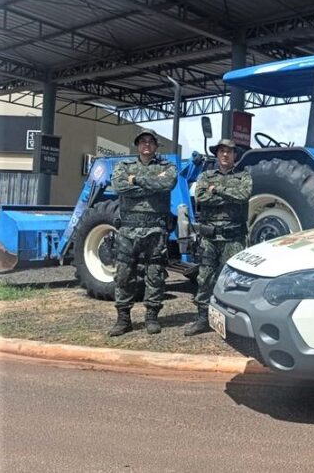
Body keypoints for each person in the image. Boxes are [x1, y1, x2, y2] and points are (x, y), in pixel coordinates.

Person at [108, 129, 177, 337]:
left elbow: (167, 183)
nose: (146, 144)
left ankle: (152, 317)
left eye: (150, 141)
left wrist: (135, 181)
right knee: (123, 274)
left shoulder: (167, 167)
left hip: (155, 228)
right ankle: (123, 319)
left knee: (155, 273)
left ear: (156, 146)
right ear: (137, 145)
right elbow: (119, 187)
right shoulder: (123, 167)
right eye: (142, 141)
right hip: (128, 229)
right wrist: (151, 185)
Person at [185, 138, 252, 336]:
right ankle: (203, 319)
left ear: (234, 156)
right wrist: (225, 195)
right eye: (222, 151)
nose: (225, 154)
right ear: (217, 154)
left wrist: (218, 190)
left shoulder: (244, 176)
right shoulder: (206, 176)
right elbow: (201, 197)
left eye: (229, 152)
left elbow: (243, 195)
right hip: (210, 238)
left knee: (234, 281)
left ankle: (233, 323)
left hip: (234, 238)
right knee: (204, 278)